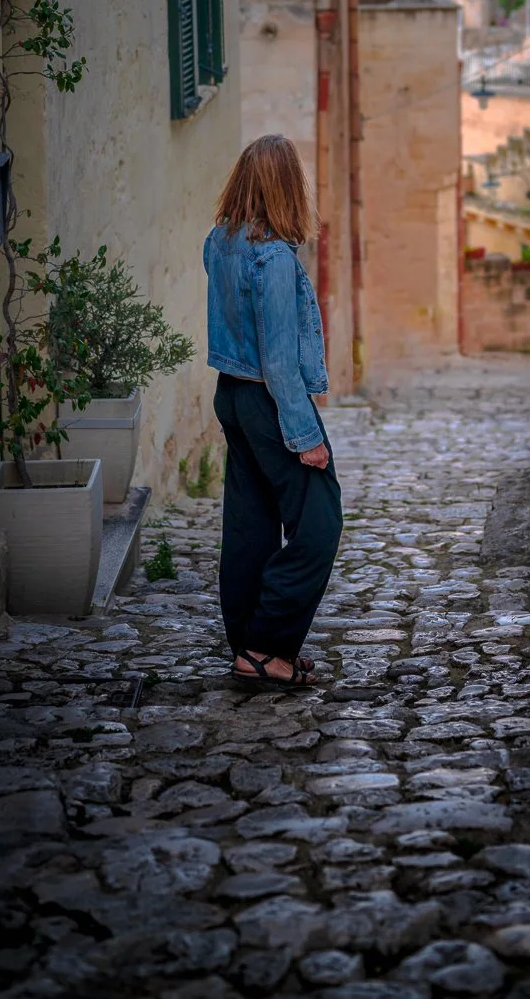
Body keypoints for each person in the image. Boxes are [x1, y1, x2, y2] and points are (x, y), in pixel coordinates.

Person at [204, 135, 343, 687]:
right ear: (288, 187)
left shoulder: (219, 241)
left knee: (250, 523)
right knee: (319, 522)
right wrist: (306, 434)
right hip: (268, 400)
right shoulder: (274, 258)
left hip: (231, 395)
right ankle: (267, 645)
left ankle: (248, 645)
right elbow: (280, 360)